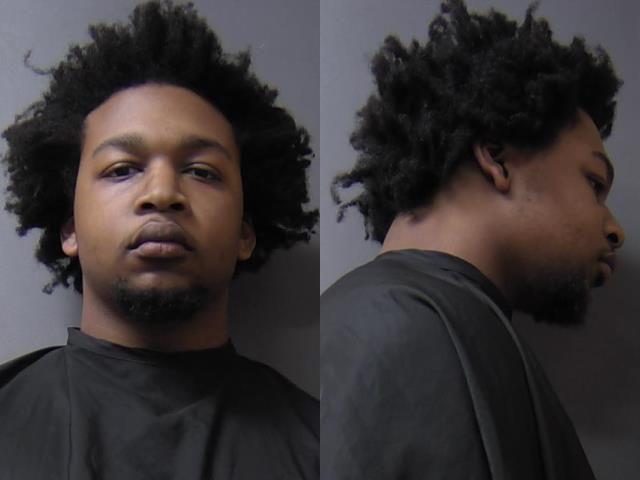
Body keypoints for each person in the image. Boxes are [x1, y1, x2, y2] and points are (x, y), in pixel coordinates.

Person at [0, 2, 318, 478]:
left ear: (244, 234)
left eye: (202, 172)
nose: (163, 192)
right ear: (70, 229)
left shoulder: (325, 449)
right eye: (122, 169)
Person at [321, 0, 624, 478]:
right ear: (496, 159)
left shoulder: (444, 321)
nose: (614, 229)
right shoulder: (396, 324)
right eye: (594, 183)